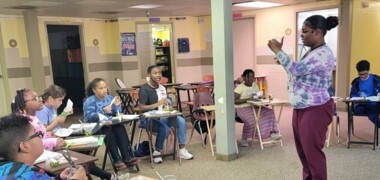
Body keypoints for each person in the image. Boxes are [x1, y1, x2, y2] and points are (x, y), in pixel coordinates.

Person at [267, 15, 338, 180]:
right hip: (301, 108)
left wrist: (278, 50)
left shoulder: (323, 54)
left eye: (305, 31)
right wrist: (282, 60)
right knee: (304, 153)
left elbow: (296, 70)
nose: (301, 35)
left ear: (317, 32)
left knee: (313, 153)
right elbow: (296, 75)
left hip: (315, 109)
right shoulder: (311, 52)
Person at [36, 85, 129, 180]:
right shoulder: (43, 110)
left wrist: (64, 113)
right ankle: (110, 177)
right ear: (51, 99)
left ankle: (110, 176)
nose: (61, 102)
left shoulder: (52, 108)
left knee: (86, 154)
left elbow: (60, 122)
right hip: (52, 144)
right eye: (59, 100)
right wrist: (57, 121)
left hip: (59, 138)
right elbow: (44, 131)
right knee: (83, 159)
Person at [0, 114, 87, 180]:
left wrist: (58, 178)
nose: (40, 136)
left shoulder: (6, 169)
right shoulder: (28, 176)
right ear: (25, 146)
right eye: (37, 134)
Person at [138, 65, 193, 164]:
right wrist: (156, 104)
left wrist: (169, 108)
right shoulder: (144, 89)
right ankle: (157, 152)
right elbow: (141, 108)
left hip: (162, 116)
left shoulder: (162, 88)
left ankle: (181, 149)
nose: (158, 75)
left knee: (180, 120)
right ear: (149, 75)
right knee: (164, 127)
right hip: (148, 119)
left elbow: (165, 104)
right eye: (155, 73)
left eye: (160, 73)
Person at [83, 78, 139, 170]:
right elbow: (89, 116)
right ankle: (117, 159)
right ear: (94, 90)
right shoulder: (90, 101)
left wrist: (117, 106)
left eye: (105, 87)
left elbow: (117, 112)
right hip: (95, 127)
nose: (104, 90)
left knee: (120, 127)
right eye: (101, 88)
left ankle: (127, 156)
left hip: (110, 124)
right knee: (108, 131)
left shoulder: (109, 98)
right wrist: (102, 111)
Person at [234, 69, 281, 147]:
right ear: (245, 78)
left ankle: (273, 133)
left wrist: (261, 99)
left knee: (270, 112)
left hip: (254, 106)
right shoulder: (240, 87)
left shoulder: (255, 85)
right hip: (242, 108)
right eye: (250, 77)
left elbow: (257, 96)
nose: (253, 79)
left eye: (253, 77)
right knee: (252, 118)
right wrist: (248, 99)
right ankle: (244, 137)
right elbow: (234, 101)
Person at [349, 60, 380, 125]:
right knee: (359, 111)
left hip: (373, 103)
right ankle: (373, 116)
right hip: (361, 104)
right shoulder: (355, 82)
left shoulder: (376, 79)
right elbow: (352, 95)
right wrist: (358, 98)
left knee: (372, 108)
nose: (363, 76)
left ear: (369, 70)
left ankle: (372, 115)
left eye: (365, 74)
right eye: (360, 74)